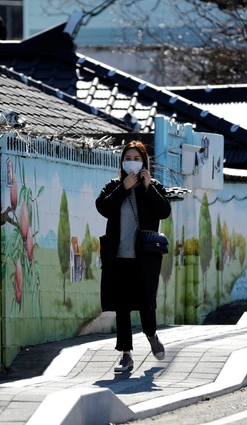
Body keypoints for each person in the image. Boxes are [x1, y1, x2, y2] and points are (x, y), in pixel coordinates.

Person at [96, 140, 171, 373]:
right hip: (119, 257)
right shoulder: (114, 185)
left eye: (137, 159)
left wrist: (148, 188)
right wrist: (123, 188)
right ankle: (126, 355)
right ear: (122, 161)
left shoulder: (154, 186)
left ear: (144, 162)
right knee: (122, 307)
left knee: (147, 302)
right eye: (128, 158)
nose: (133, 162)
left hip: (144, 256)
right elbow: (103, 207)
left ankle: (151, 335)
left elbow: (164, 211)